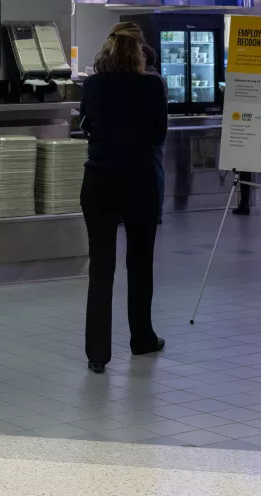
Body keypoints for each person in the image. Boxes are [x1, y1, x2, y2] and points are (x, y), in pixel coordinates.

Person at [78, 22, 167, 373]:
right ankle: (141, 337)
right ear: (140, 52)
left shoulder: (94, 84)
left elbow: (85, 124)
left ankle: (97, 354)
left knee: (100, 267)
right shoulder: (152, 86)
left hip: (98, 179)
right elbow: (159, 133)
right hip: (139, 180)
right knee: (140, 262)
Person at [142, 44, 166, 223]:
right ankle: (155, 209)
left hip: (149, 132)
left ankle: (156, 209)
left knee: (154, 168)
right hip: (155, 130)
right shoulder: (157, 78)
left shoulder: (150, 79)